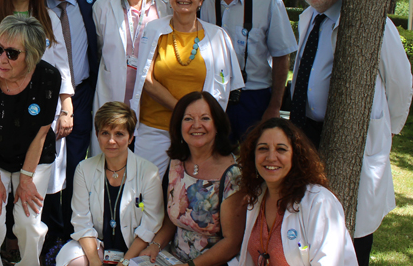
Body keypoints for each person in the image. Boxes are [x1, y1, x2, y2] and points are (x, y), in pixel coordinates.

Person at [289, 0, 413, 266]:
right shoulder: (308, 18)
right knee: (309, 219)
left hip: (351, 139)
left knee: (352, 226)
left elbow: (400, 83)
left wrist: (389, 128)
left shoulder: (371, 25)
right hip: (307, 134)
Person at [128, 0, 243, 175]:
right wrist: (184, 111)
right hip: (156, 128)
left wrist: (192, 119)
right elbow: (146, 79)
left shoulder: (218, 36)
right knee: (143, 194)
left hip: (198, 131)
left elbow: (227, 88)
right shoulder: (154, 30)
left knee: (191, 198)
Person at [0, 15, 61, 266]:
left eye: (11, 53)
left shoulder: (49, 78)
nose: (1, 59)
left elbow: (42, 132)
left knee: (28, 221)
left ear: (31, 56)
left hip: (34, 153)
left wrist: (27, 177)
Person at [199, 0, 297, 143]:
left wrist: (274, 106)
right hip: (216, 96)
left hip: (255, 97)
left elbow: (282, 56)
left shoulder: (268, 0)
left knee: (252, 164)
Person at [40, 0, 105, 243]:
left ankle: (71, 230)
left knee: (78, 164)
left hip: (81, 94)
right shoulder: (35, 3)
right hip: (44, 98)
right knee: (47, 165)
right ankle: (49, 232)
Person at [140, 91, 245, 265]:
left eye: (205, 118)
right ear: (179, 126)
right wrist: (155, 245)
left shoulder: (232, 174)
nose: (197, 125)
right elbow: (173, 219)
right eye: (188, 119)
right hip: (172, 259)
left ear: (217, 125)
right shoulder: (177, 163)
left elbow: (232, 243)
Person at [236, 118, 357, 265]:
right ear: (252, 156)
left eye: (281, 149)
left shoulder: (319, 202)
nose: (271, 157)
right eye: (263, 148)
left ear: (296, 156)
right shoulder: (256, 198)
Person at [56, 102, 163, 266]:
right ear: (97, 135)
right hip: (97, 247)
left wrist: (125, 262)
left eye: (119, 134)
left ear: (131, 137)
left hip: (135, 251)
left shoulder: (149, 172)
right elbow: (81, 221)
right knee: (73, 260)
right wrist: (94, 261)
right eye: (105, 133)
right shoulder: (84, 169)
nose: (111, 141)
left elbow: (149, 226)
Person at [92, 0, 170, 131]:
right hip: (113, 101)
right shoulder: (101, 7)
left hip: (153, 106)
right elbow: (99, 50)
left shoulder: (165, 8)